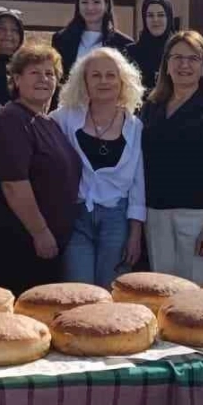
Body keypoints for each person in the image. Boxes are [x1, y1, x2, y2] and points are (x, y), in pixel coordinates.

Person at [0, 43, 81, 294]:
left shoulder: (48, 122)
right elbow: (13, 184)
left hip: (51, 245)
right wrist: (40, 232)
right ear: (17, 79)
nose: (43, 79)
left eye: (49, 73)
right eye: (34, 72)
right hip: (22, 244)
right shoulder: (12, 119)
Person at [140, 31, 203, 284]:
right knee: (161, 291)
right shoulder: (150, 108)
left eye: (193, 58)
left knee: (198, 294)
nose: (184, 65)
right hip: (156, 214)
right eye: (177, 57)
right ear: (166, 64)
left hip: (198, 217)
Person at [53, 47, 146, 286]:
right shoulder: (64, 118)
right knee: (79, 291)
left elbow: (138, 185)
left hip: (117, 219)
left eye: (110, 75)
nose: (103, 81)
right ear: (84, 81)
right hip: (76, 217)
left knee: (111, 290)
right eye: (95, 75)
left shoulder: (135, 127)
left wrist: (135, 234)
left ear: (122, 81)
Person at [51, 0, 134, 77]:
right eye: (84, 2)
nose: (90, 7)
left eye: (96, 2)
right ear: (78, 5)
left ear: (106, 5)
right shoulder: (61, 39)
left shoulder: (124, 44)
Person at [125, 0, 176, 91]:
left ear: (169, 18)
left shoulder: (179, 51)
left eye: (161, 15)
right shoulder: (131, 53)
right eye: (150, 15)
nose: (155, 19)